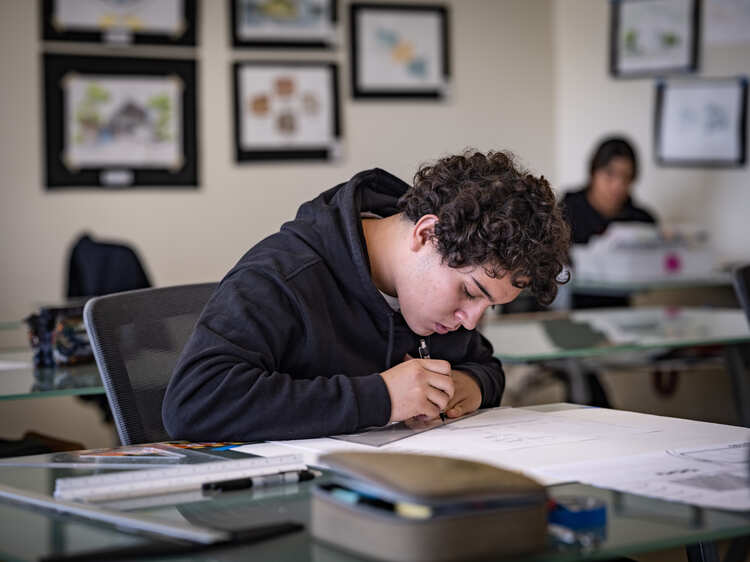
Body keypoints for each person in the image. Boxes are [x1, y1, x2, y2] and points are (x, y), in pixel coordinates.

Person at [162, 150, 570, 442]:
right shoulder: (283, 275)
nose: (469, 320)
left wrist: (470, 385)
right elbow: (195, 403)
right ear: (427, 234)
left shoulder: (436, 300)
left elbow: (482, 364)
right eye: (468, 292)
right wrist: (383, 398)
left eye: (489, 307)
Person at [562, 136, 656, 246]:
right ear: (593, 172)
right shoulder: (565, 213)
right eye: (610, 173)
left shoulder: (643, 222)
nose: (618, 185)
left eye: (626, 176)